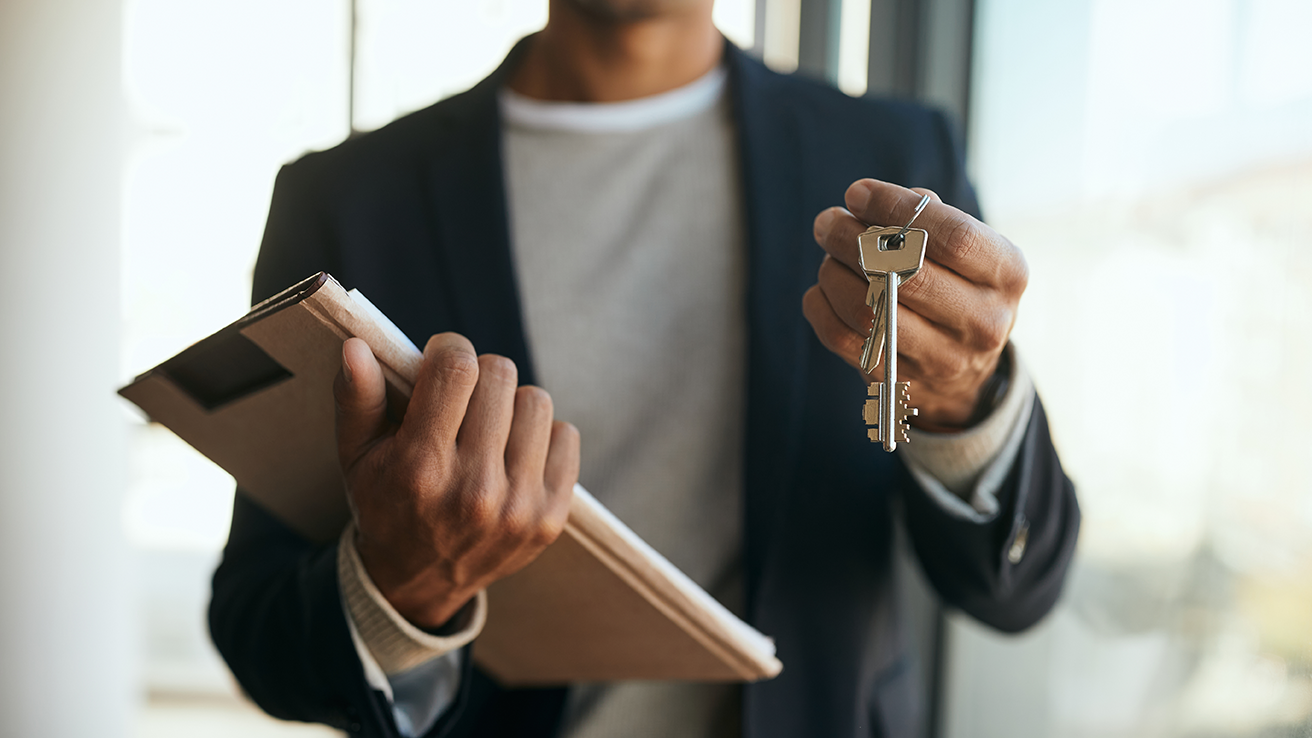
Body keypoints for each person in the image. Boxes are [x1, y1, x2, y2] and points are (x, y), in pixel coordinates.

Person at [209, 0, 1080, 736]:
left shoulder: (895, 155)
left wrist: (965, 399)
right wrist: (399, 588)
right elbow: (256, 622)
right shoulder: (347, 201)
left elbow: (1018, 586)